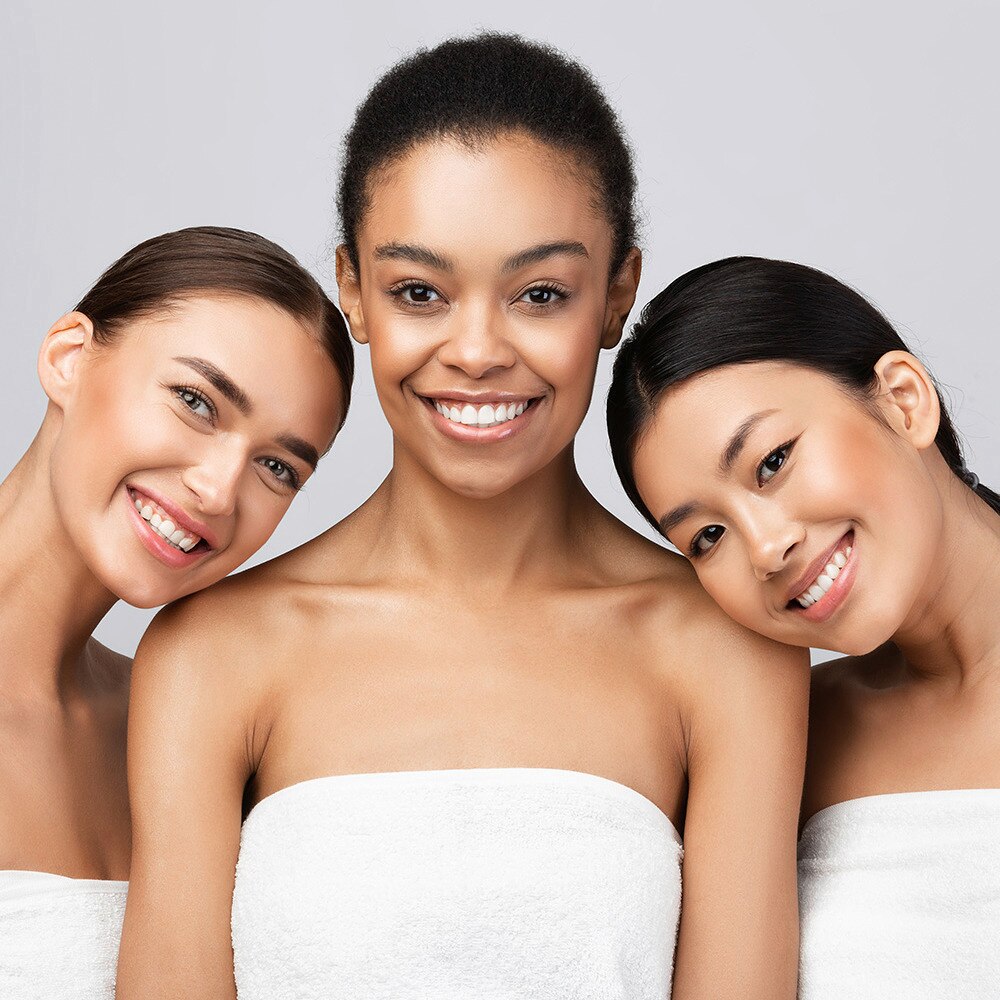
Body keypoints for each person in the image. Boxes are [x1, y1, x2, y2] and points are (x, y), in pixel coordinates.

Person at [117, 40, 807, 1000]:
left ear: (617, 295)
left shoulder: (727, 647)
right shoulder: (212, 651)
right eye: (418, 292)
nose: (476, 351)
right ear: (352, 289)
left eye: (539, 295)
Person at [608, 255, 1000, 999]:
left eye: (772, 462)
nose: (765, 547)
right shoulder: (781, 743)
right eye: (707, 538)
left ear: (903, 401)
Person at [0, 225, 353, 1000]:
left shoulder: (180, 727)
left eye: (277, 466)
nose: (220, 491)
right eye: (196, 401)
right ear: (67, 359)